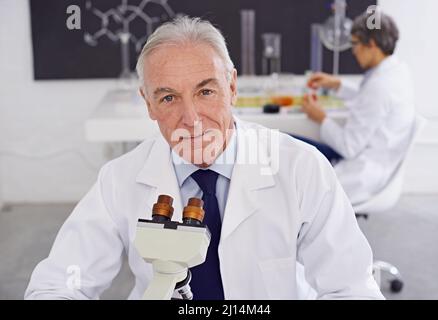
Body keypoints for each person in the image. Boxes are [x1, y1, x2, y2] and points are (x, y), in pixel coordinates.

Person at [25, 16, 383, 300]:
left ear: (232, 87)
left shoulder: (301, 168)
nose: (191, 119)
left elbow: (351, 288)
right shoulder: (119, 180)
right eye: (168, 98)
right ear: (148, 103)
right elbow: (59, 285)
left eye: (206, 91)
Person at [297, 11, 415, 205]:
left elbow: (348, 147)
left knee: (283, 143)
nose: (353, 51)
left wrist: (321, 117)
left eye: (355, 44)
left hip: (361, 172)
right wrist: (337, 84)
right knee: (290, 144)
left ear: (372, 44)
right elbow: (370, 99)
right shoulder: (396, 71)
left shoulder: (380, 86)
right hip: (373, 159)